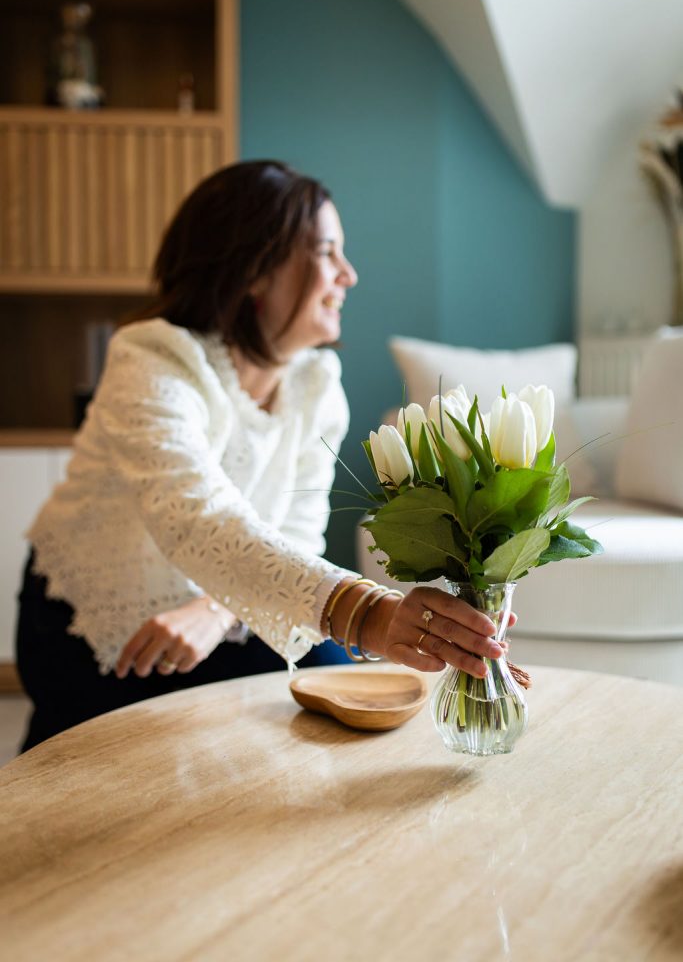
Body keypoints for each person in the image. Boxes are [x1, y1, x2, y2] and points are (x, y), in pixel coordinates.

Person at [16, 160, 504, 752]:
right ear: (253, 269)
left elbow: (297, 531)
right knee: (127, 775)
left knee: (338, 711)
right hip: (98, 617)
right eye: (327, 253)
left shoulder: (317, 382)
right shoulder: (151, 358)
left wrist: (214, 612)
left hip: (229, 609)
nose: (349, 275)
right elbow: (196, 516)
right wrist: (370, 614)